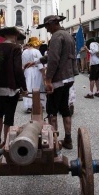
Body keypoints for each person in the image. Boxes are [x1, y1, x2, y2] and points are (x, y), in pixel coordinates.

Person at [34, 15, 79, 149]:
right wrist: (37, 61)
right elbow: (56, 55)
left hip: (59, 78)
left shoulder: (56, 36)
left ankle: (54, 142)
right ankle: (68, 139)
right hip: (69, 77)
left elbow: (54, 59)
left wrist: (48, 79)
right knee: (64, 108)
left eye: (47, 26)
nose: (47, 29)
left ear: (53, 23)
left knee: (52, 110)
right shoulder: (68, 35)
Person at [0, 27, 28, 151]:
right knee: (9, 115)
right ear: (14, 36)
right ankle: (5, 142)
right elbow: (18, 70)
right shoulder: (15, 48)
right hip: (10, 87)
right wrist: (24, 87)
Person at [22, 36, 45, 113]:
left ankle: (29, 105)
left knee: (28, 86)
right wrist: (43, 73)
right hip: (36, 71)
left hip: (27, 71)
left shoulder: (24, 52)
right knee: (37, 86)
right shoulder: (36, 52)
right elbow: (40, 63)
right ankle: (38, 103)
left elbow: (23, 64)